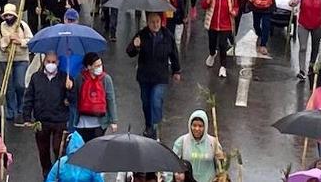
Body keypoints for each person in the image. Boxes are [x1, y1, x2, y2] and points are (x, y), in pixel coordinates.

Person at [125, 11, 181, 139]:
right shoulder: (142, 34)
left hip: (160, 76)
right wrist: (135, 46)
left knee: (156, 100)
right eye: (152, 22)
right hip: (145, 76)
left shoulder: (167, 36)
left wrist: (176, 70)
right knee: (146, 102)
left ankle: (155, 127)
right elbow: (129, 52)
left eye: (157, 22)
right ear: (148, 22)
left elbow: (174, 54)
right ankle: (148, 124)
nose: (155, 24)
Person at [22, 51, 70, 176]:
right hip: (41, 121)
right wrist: (27, 117)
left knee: (58, 148)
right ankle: (47, 173)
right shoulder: (36, 78)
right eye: (48, 62)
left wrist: (70, 89)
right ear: (43, 62)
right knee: (43, 150)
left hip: (59, 120)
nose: (51, 64)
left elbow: (71, 100)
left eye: (53, 62)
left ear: (58, 63)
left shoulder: (65, 77)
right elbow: (29, 98)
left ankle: (59, 172)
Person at [72, 52, 116, 141]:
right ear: (89, 67)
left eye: (100, 65)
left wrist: (113, 120)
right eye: (97, 66)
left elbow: (110, 100)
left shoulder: (106, 79)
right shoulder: (79, 79)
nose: (100, 68)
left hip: (100, 123)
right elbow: (75, 98)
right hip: (83, 122)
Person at [172, 110, 224, 182]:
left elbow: (221, 168)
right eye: (194, 125)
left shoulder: (213, 142)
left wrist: (221, 160)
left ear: (205, 127)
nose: (197, 129)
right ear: (190, 125)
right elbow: (172, 164)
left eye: (200, 126)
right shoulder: (181, 142)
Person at [200, 0, 238, 78]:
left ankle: (223, 66)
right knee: (212, 43)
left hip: (226, 25)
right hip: (212, 24)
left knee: (222, 44)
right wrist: (208, 0)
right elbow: (203, 5)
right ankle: (212, 53)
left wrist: (234, 11)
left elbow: (236, 6)